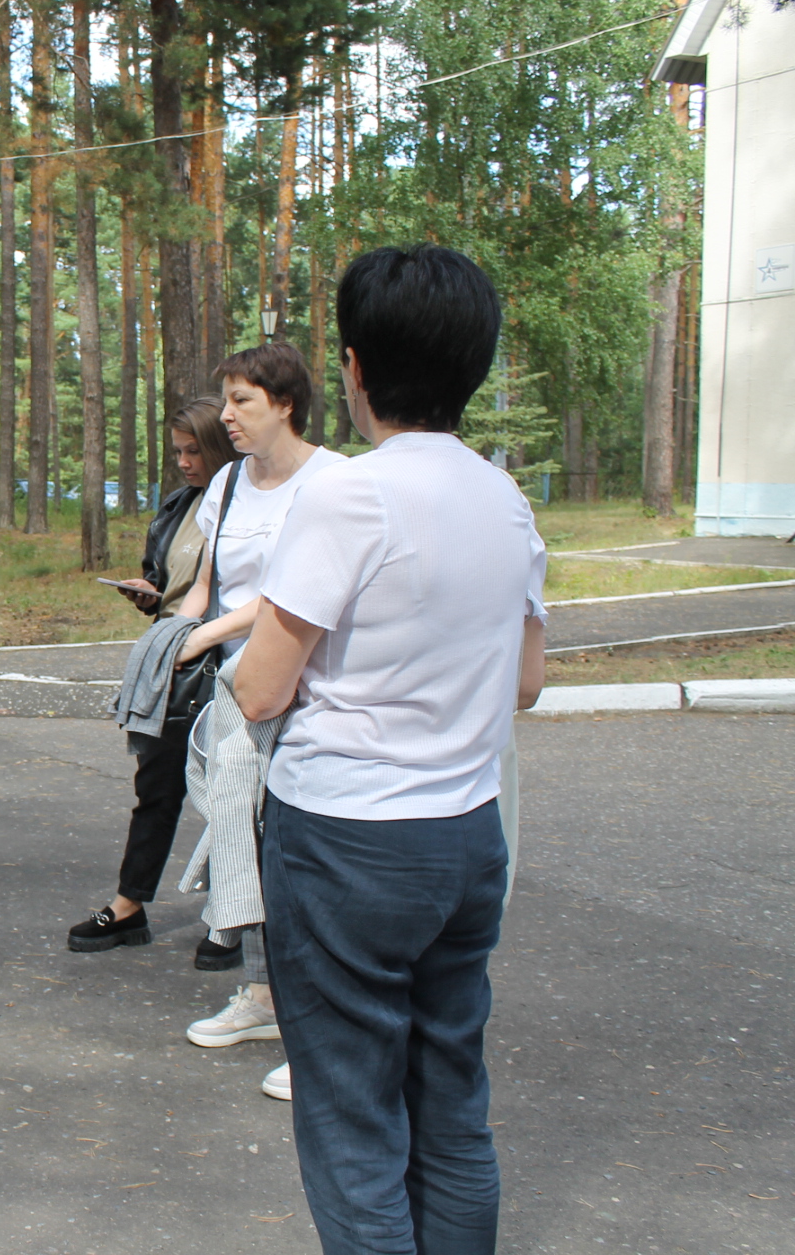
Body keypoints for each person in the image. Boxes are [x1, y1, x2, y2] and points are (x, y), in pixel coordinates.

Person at [231, 243, 546, 1253]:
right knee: (451, 1095)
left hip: (347, 838)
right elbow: (526, 680)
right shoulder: (505, 497)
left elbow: (261, 683)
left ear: (356, 369)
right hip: (465, 831)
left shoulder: (348, 492)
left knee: (353, 1112)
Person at [172, 343, 346, 1078]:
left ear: (286, 405)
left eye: (243, 401)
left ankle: (315, 1013)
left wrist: (212, 631)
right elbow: (207, 584)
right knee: (235, 818)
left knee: (297, 848)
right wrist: (178, 634)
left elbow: (299, 595)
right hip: (234, 687)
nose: (228, 416)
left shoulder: (336, 481)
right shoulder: (229, 487)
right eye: (227, 400)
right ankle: (268, 994)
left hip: (305, 687)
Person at [66, 397, 237, 955]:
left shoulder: (248, 502)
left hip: (233, 657)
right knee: (156, 786)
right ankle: (129, 906)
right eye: (178, 452)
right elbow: (166, 582)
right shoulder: (178, 506)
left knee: (234, 794)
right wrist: (150, 596)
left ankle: (234, 916)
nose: (185, 462)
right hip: (175, 662)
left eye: (195, 450)